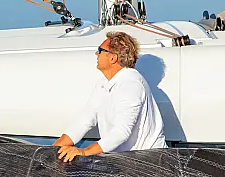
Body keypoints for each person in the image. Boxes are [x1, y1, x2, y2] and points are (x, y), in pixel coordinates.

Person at [54, 31, 166, 163]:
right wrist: (50, 152)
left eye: (100, 50)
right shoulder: (103, 84)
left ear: (113, 58)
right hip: (124, 162)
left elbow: (121, 132)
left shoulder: (131, 83)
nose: (96, 54)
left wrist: (83, 152)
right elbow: (84, 121)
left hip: (150, 163)